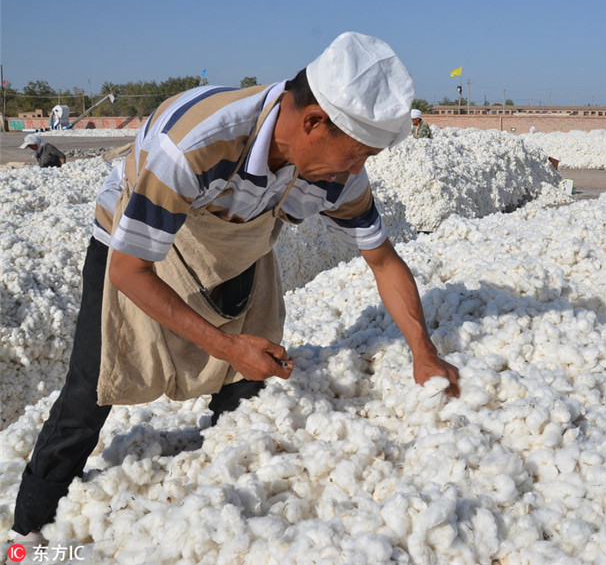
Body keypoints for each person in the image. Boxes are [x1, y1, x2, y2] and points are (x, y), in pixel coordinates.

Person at [11, 31, 460, 545]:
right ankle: (27, 539)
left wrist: (423, 351)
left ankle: (220, 496)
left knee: (249, 381)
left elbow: (383, 260)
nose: (357, 171)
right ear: (313, 122)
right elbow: (130, 272)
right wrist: (225, 345)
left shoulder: (336, 173)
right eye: (355, 155)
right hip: (136, 240)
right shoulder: (195, 144)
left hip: (238, 239)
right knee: (90, 393)